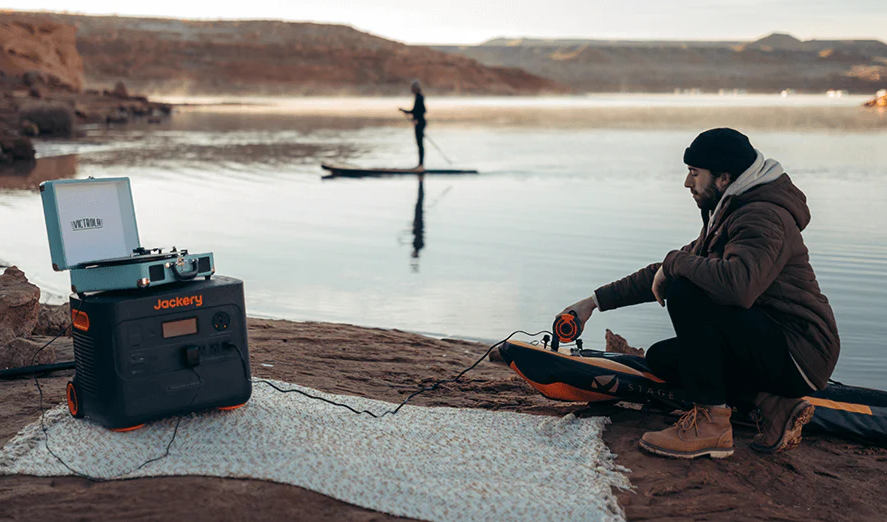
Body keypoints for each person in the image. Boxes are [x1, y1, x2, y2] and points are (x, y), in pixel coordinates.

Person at [560, 128, 840, 459]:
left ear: (723, 177)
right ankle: (773, 403)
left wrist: (675, 264)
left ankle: (711, 426)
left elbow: (738, 286)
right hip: (774, 344)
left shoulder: (761, 216)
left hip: (800, 351)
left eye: (694, 173)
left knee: (684, 288)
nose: (687, 183)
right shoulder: (731, 211)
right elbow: (661, 272)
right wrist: (593, 303)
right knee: (664, 359)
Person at [399, 80, 426, 170]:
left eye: (413, 88)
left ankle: (421, 165)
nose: (412, 90)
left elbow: (423, 111)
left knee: (420, 144)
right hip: (419, 123)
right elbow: (414, 111)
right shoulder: (418, 97)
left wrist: (417, 120)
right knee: (419, 144)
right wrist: (404, 111)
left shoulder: (419, 98)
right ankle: (420, 164)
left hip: (420, 123)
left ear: (416, 89)